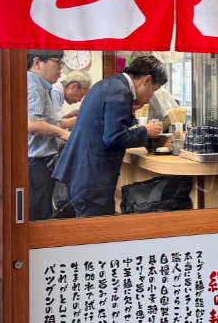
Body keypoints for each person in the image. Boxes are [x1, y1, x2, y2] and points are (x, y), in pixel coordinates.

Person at [52, 56, 166, 218]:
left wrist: (130, 111)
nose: (150, 97)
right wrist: (145, 131)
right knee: (96, 237)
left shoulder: (106, 84)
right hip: (92, 183)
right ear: (146, 80)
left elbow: (104, 125)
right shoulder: (122, 92)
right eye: (153, 90)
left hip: (80, 176)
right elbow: (114, 138)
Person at [27, 51, 70, 221]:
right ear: (37, 63)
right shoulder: (33, 86)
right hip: (37, 164)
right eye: (58, 62)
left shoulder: (41, 86)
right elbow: (32, 124)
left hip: (42, 163)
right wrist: (63, 134)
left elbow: (47, 123)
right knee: (40, 217)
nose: (61, 68)